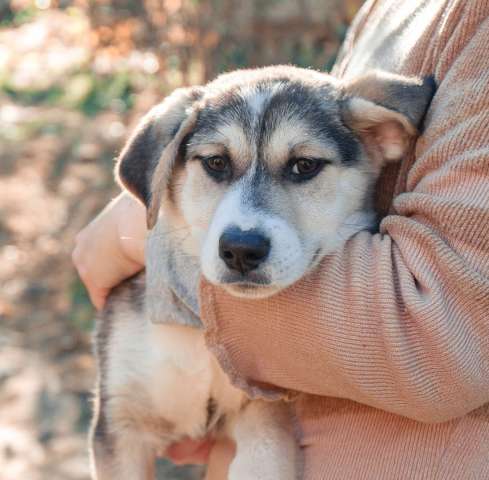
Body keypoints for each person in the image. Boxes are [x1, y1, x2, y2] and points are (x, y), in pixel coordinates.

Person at [73, 0, 489, 478]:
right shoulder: (384, 8)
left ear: (382, 138)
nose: (247, 228)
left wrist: (137, 237)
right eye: (216, 164)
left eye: (304, 166)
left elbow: (439, 329)